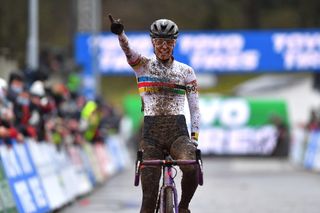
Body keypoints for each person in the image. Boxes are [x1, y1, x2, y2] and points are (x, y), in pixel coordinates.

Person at [109, 14, 201, 213]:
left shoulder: (186, 72)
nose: (164, 47)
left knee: (191, 165)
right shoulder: (143, 65)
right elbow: (128, 50)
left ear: (174, 43)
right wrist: (121, 34)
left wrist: (194, 138)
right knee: (148, 201)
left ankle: (184, 206)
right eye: (159, 42)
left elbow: (194, 108)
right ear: (152, 42)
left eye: (168, 42)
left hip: (178, 133)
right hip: (151, 135)